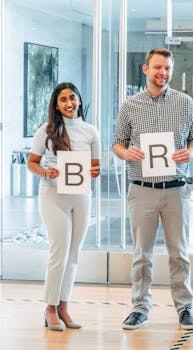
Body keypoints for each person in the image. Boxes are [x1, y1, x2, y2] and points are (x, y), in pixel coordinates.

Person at [113, 48, 193, 331]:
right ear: (145, 70)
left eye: (167, 68)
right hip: (142, 189)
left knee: (179, 253)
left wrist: (190, 153)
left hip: (176, 189)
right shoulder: (130, 105)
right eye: (157, 68)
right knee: (142, 254)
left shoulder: (185, 102)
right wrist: (126, 153)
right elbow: (117, 142)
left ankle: (185, 307)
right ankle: (140, 308)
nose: (162, 73)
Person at [27, 82, 101, 331]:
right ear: (56, 105)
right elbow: (32, 163)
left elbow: (96, 167)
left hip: (81, 196)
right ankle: (49, 308)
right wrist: (45, 172)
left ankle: (63, 306)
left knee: (73, 255)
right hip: (53, 196)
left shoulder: (91, 131)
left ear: (79, 99)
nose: (69, 103)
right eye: (63, 100)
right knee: (58, 254)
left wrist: (94, 171)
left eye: (72, 97)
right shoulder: (46, 131)